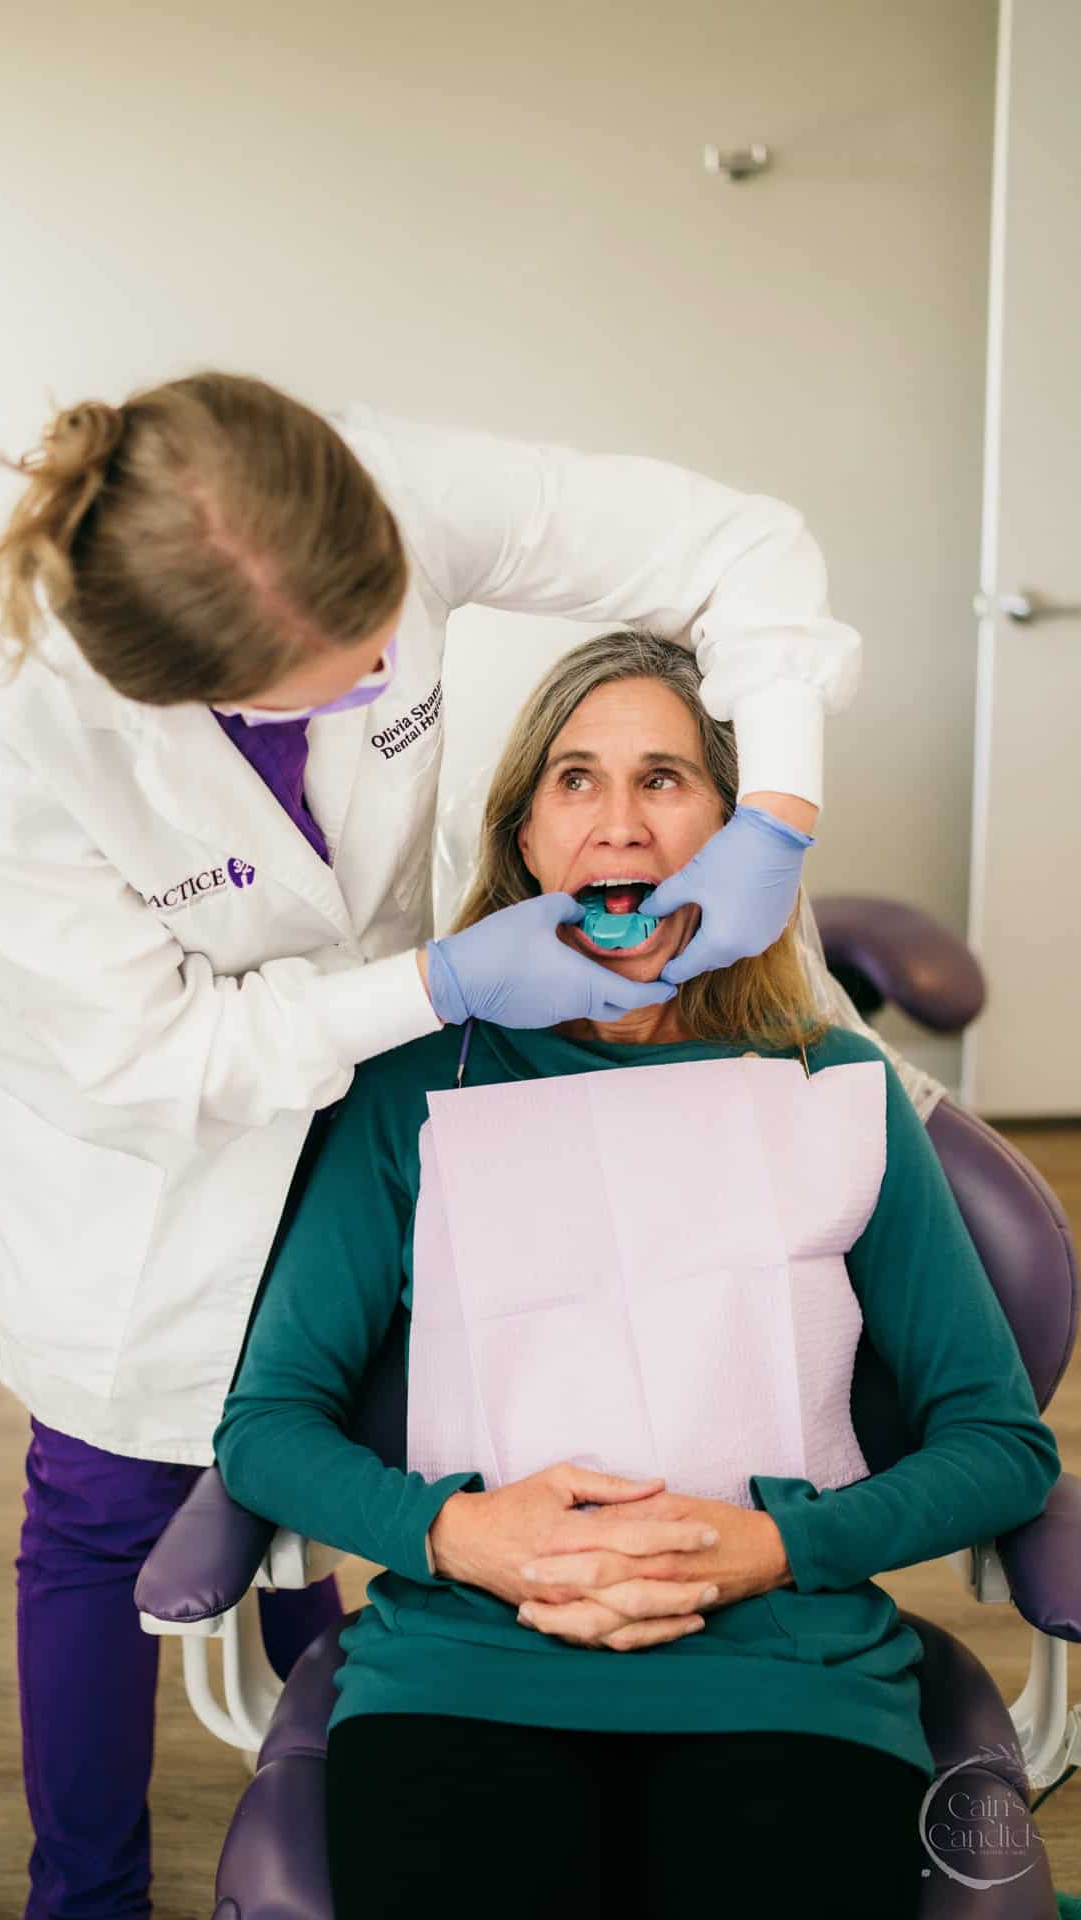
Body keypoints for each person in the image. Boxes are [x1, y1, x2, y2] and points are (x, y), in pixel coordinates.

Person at [0, 371, 863, 1920]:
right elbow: (149, 1052)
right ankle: (80, 1893)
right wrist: (441, 980)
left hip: (380, 1086)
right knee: (102, 1515)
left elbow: (741, 543)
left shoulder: (384, 485)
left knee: (362, 1429)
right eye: (336, 686)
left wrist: (787, 811)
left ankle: (352, 1713)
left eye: (389, 647)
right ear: (184, 694)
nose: (383, 677)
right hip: (141, 1158)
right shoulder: (5, 723)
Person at [215, 628, 1061, 1920]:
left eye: (664, 778)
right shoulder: (411, 1094)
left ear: (740, 835)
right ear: (525, 839)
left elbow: (999, 1443)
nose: (619, 823)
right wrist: (460, 1533)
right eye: (577, 779)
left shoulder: (837, 1091)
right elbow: (265, 1428)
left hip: (788, 1671)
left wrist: (777, 1547)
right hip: (466, 1662)